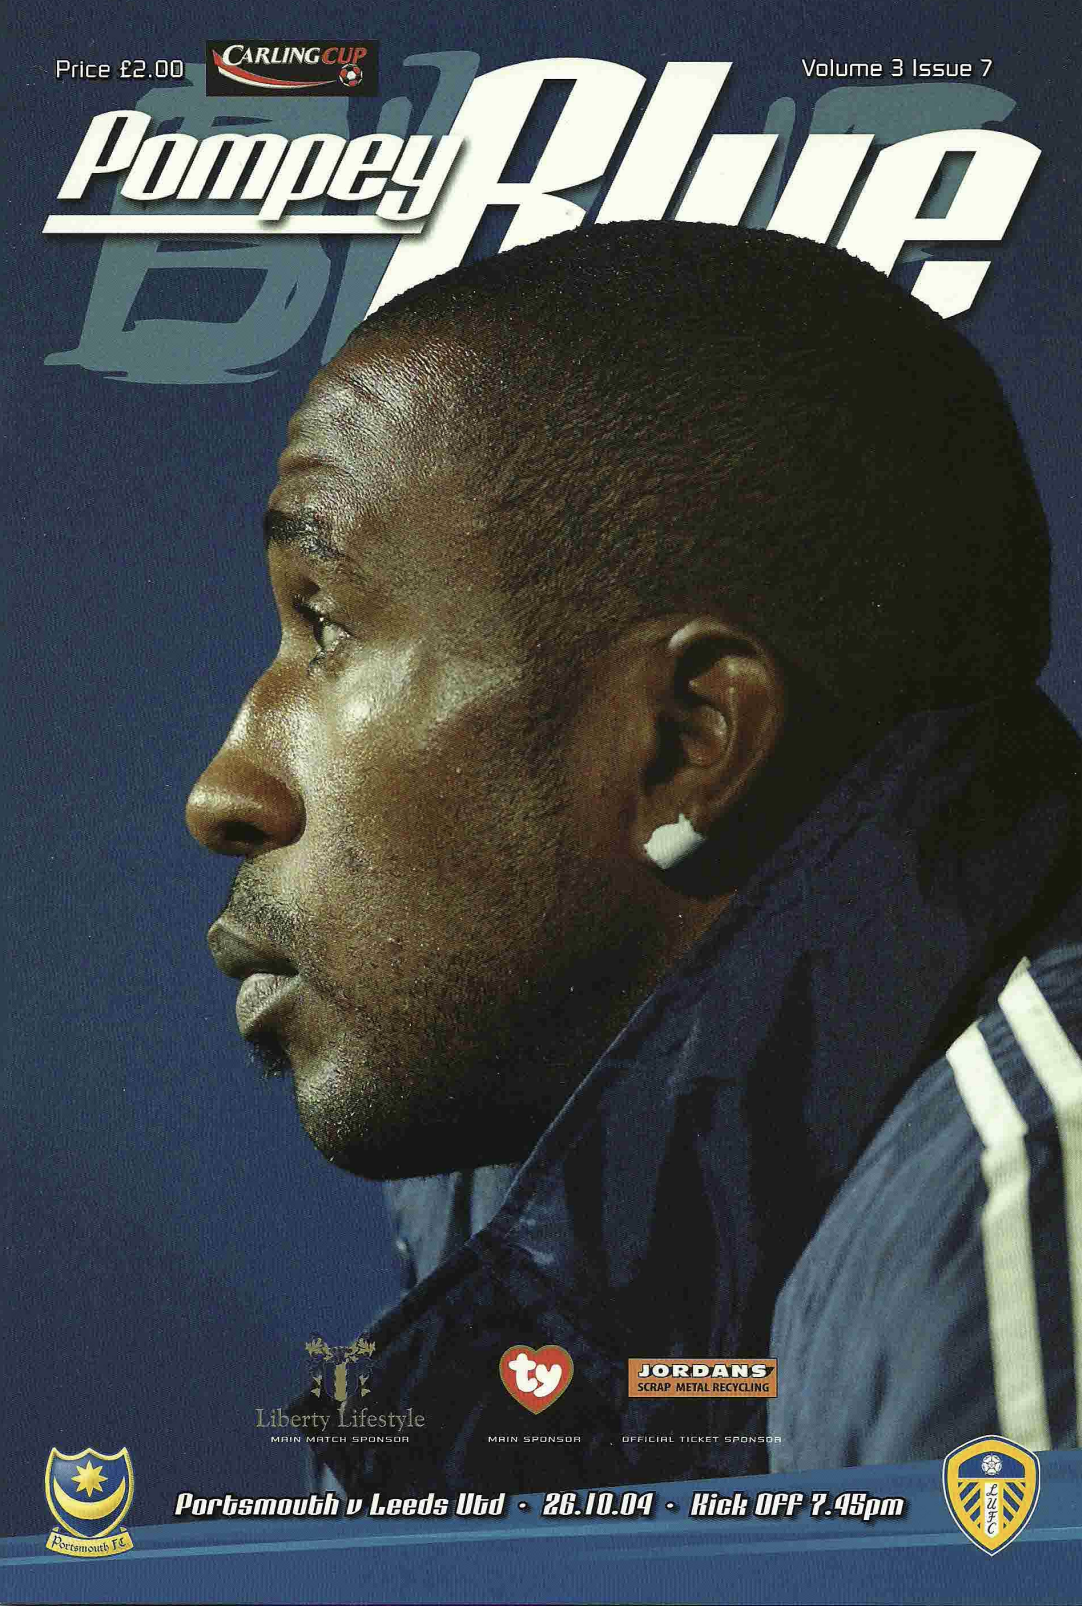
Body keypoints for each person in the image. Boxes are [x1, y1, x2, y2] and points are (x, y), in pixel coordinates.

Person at [185, 222, 1081, 1495]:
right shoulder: (519, 1188)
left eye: (324, 626)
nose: (223, 792)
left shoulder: (1026, 1201)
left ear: (685, 742)